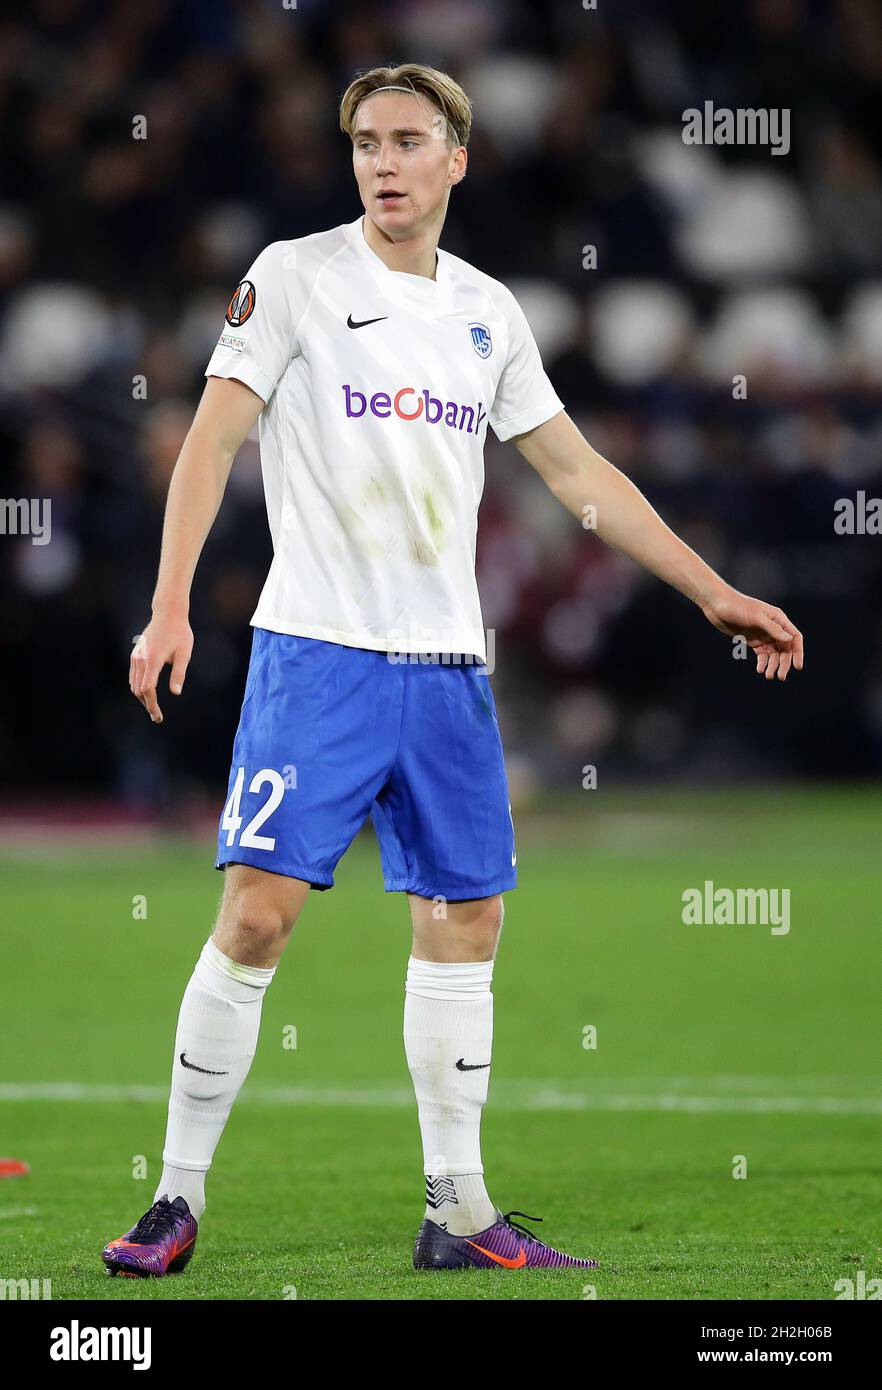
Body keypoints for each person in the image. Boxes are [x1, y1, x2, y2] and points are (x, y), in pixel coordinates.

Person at [102, 63, 804, 1279]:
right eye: (366, 141)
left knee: (465, 922)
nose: (382, 161)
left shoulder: (488, 314)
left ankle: (459, 1210)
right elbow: (214, 438)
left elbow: (581, 479)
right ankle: (174, 1197)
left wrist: (714, 590)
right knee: (259, 917)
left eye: (408, 140)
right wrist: (170, 607)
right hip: (316, 655)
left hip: (443, 671)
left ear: (455, 161)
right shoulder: (295, 277)